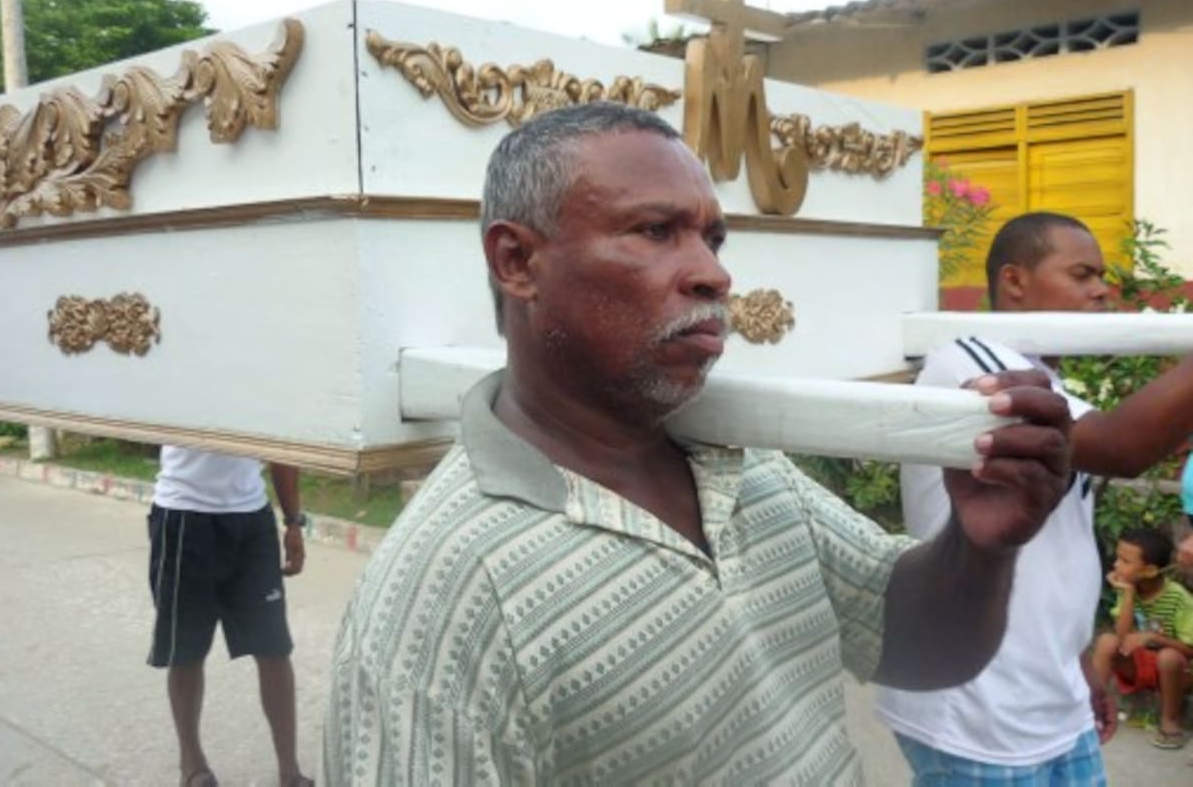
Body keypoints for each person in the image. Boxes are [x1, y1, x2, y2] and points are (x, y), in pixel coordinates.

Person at [321, 103, 1073, 785]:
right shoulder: (439, 603)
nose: (714, 273)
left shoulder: (740, 463)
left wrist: (982, 549)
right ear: (517, 262)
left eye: (711, 238)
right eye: (655, 231)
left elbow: (912, 650)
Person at [877, 211, 1193, 783]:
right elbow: (1122, 447)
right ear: (1015, 282)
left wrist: (1075, 666)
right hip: (975, 707)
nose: (1100, 290)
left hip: (1050, 695)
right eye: (1082, 274)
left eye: (1102, 278)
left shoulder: (1047, 379)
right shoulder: (972, 361)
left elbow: (1055, 549)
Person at [148, 445, 313, 787]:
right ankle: (192, 766)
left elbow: (283, 441)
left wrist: (294, 522)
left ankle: (290, 772)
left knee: (274, 648)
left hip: (251, 519)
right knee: (186, 649)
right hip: (183, 515)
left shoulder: (268, 387)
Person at [1092, 527, 1193, 749]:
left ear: (1148, 571)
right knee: (1107, 641)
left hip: (1177, 673)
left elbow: (1189, 650)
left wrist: (1153, 638)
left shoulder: (1179, 598)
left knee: (1168, 657)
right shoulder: (1129, 589)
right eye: (1117, 558)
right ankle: (1091, 709)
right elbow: (1121, 636)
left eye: (1125, 561)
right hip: (1140, 666)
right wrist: (1127, 593)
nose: (1116, 565)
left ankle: (1170, 724)